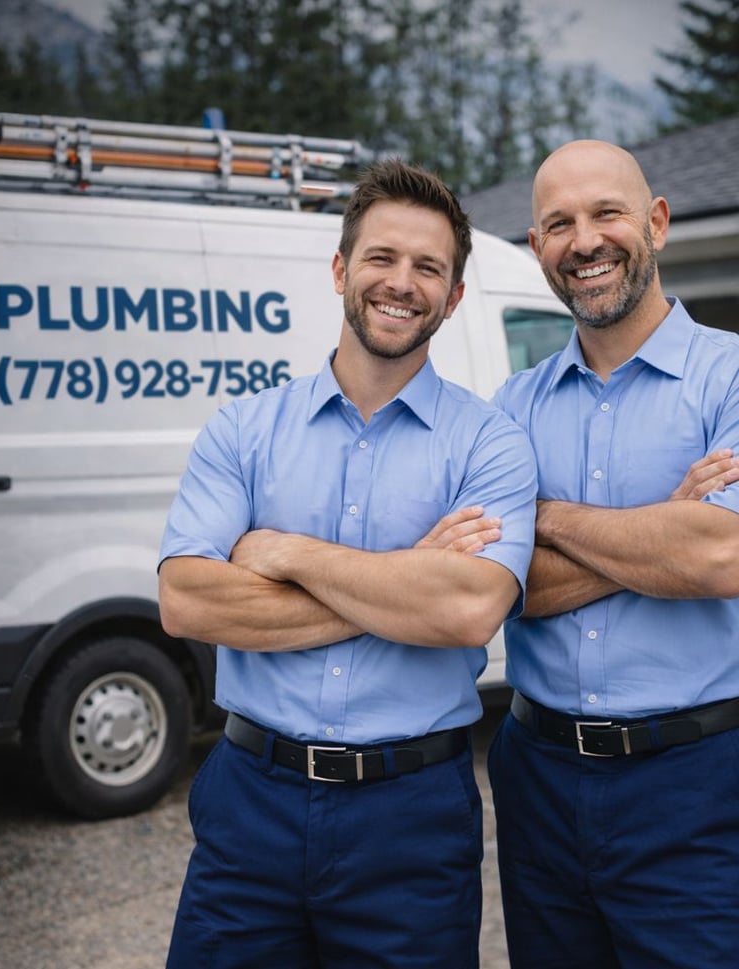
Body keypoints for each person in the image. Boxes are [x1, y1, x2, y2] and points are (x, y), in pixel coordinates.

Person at [158, 158, 537, 969]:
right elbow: (188, 601)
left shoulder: (490, 442)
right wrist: (406, 576)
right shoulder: (245, 428)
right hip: (250, 802)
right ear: (341, 269)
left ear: (455, 295)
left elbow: (468, 611)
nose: (401, 282)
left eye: (428, 267)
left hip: (411, 817)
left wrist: (287, 554)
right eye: (382, 257)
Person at [488, 138, 739, 969]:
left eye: (607, 213)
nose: (584, 240)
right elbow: (494, 589)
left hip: (699, 779)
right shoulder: (507, 410)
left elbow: (719, 555)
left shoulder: (731, 378)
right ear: (537, 251)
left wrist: (546, 516)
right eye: (558, 223)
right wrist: (661, 524)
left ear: (657, 223)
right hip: (539, 780)